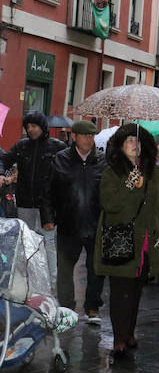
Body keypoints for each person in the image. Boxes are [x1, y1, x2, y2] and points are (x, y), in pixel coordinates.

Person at [94, 125, 159, 359]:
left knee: (136, 291)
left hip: (147, 243)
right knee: (121, 292)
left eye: (137, 141)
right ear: (120, 145)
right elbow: (110, 205)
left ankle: (129, 332)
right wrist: (129, 186)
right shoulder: (112, 172)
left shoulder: (153, 172)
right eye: (129, 140)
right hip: (121, 242)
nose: (133, 145)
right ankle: (119, 338)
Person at [0, 112, 66, 282]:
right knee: (26, 242)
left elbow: (68, 169)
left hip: (48, 205)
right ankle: (27, 278)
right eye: (28, 127)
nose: (30, 129)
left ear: (42, 127)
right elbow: (4, 159)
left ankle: (51, 281)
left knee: (48, 242)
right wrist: (1, 173)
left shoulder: (57, 146)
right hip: (25, 203)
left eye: (34, 126)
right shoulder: (21, 146)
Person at [49, 120, 106, 320]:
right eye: (84, 135)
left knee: (96, 269)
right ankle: (67, 307)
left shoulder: (102, 161)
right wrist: (49, 217)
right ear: (74, 137)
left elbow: (108, 192)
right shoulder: (60, 159)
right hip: (68, 223)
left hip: (96, 223)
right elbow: (49, 191)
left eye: (92, 135)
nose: (89, 139)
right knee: (65, 268)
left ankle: (92, 307)